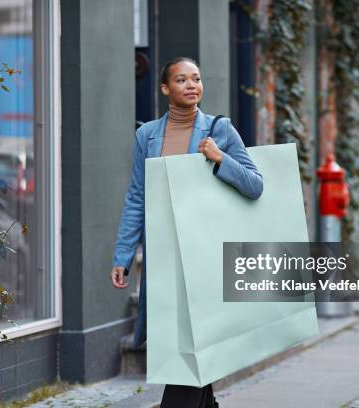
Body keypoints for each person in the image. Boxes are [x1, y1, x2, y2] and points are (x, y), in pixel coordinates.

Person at [110, 57, 263, 408]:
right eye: (182, 80)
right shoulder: (147, 135)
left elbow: (255, 185)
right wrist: (123, 255)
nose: (192, 85)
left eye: (196, 78)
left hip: (205, 256)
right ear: (166, 89)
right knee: (186, 345)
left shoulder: (219, 130)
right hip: (165, 258)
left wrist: (221, 158)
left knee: (191, 348)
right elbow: (137, 196)